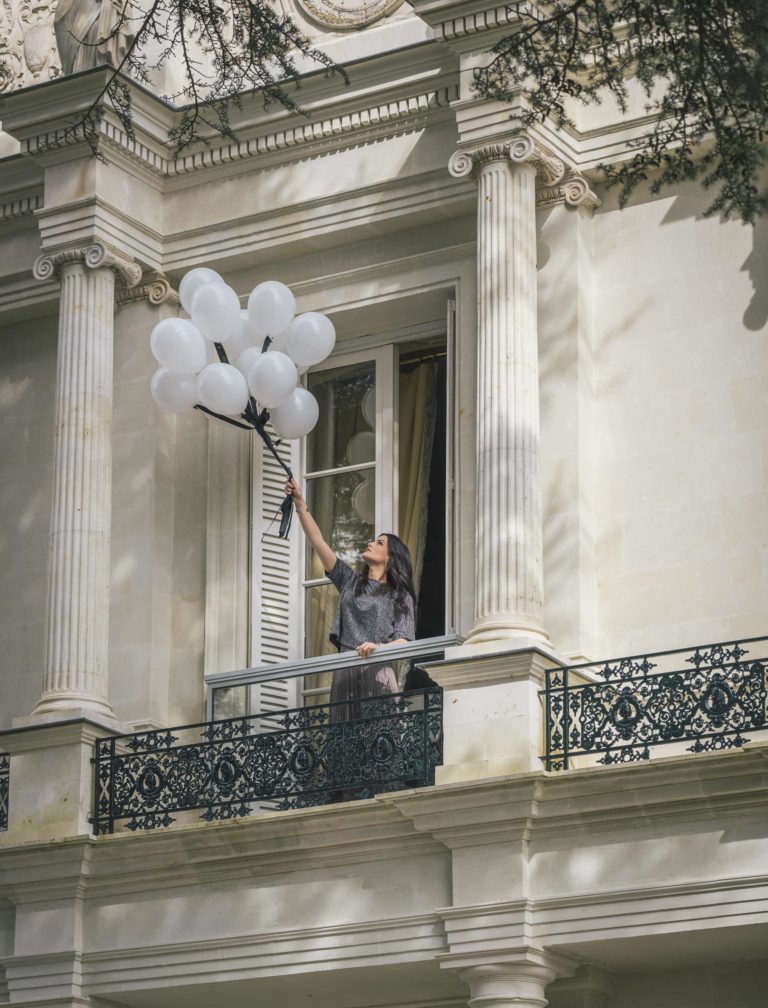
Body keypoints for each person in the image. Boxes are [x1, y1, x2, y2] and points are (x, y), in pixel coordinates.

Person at [284, 478, 416, 718]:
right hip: (345, 673)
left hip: (377, 672)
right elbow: (319, 542)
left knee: (379, 742)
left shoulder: (400, 595)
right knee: (344, 744)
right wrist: (301, 507)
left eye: (379, 542)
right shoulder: (350, 581)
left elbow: (405, 639)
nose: (370, 542)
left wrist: (380, 648)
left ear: (390, 557)